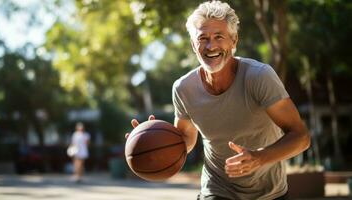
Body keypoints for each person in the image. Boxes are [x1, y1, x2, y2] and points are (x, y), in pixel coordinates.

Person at [127, 1, 310, 199]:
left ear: (234, 40)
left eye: (219, 37)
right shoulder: (183, 89)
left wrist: (258, 157)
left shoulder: (259, 77)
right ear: (193, 45)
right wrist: (146, 139)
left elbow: (301, 137)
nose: (211, 45)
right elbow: (185, 141)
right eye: (203, 38)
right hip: (216, 189)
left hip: (269, 192)